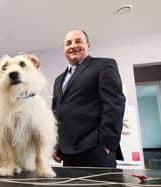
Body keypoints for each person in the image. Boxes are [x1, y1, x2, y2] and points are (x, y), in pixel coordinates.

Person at [52, 29, 125, 167]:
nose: (73, 45)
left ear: (88, 45)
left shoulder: (104, 65)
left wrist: (107, 143)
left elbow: (114, 104)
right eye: (68, 43)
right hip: (67, 153)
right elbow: (57, 114)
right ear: (64, 49)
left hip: (96, 149)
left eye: (78, 41)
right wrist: (56, 144)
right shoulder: (58, 80)